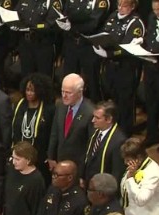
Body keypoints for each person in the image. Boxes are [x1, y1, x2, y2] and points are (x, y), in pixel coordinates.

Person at [94, 0, 145, 136]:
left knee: (125, 103)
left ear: (132, 7)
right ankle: (112, 129)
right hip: (111, 67)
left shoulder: (135, 23)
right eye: (119, 5)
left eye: (124, 6)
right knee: (113, 99)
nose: (120, 8)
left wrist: (109, 53)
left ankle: (124, 134)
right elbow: (105, 34)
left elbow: (126, 48)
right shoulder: (113, 17)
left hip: (126, 68)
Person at [56, 0, 110, 103]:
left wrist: (72, 27)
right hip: (71, 44)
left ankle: (96, 110)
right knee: (69, 78)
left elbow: (93, 24)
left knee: (92, 81)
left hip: (89, 46)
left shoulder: (100, 2)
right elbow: (65, 16)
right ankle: (69, 109)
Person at [3, 141, 46, 215]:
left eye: (17, 159)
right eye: (13, 158)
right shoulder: (13, 171)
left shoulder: (36, 180)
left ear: (28, 159)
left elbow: (39, 210)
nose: (13, 161)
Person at [12, 73, 55, 186]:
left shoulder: (49, 109)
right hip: (20, 155)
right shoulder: (20, 105)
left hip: (39, 159)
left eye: (33, 90)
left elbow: (52, 134)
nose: (29, 93)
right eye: (27, 90)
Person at [47, 73, 94, 177]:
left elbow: (90, 147)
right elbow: (54, 133)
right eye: (62, 91)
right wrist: (51, 157)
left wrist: (83, 174)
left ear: (79, 92)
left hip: (77, 168)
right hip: (59, 163)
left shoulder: (90, 112)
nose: (64, 95)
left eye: (68, 93)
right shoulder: (60, 105)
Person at [120, 137, 159, 215]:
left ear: (139, 157)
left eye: (128, 159)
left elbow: (141, 199)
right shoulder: (135, 167)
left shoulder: (153, 172)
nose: (125, 162)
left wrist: (131, 178)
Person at [13, 0, 62, 78]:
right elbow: (15, 15)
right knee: (26, 75)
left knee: (43, 76)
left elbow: (51, 23)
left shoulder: (53, 2)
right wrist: (15, 24)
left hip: (43, 44)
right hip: (25, 44)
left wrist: (32, 28)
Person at [82, 100, 126, 188]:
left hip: (103, 190)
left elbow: (116, 172)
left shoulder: (119, 141)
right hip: (90, 184)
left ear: (109, 119)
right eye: (93, 116)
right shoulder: (95, 131)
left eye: (97, 118)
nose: (93, 120)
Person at [140, 0, 159, 148]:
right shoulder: (152, 17)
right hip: (150, 66)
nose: (156, 13)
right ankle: (152, 135)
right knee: (151, 102)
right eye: (154, 10)